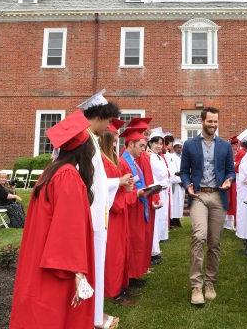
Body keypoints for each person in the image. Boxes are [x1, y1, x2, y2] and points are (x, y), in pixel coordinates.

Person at [10, 111, 97, 329]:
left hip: (39, 255)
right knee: (52, 316)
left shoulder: (51, 172)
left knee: (35, 314)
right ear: (84, 150)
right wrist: (78, 273)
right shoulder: (68, 176)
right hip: (56, 266)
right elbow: (68, 230)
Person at [78, 90, 131, 329]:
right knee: (92, 266)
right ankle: (92, 316)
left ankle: (96, 315)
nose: (110, 126)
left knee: (97, 266)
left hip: (99, 212)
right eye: (108, 120)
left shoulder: (91, 140)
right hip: (90, 214)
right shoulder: (84, 142)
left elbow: (98, 182)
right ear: (98, 116)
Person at [180, 106, 234, 305]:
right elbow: (184, 171)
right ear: (202, 121)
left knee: (214, 242)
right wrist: (187, 185)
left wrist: (229, 180)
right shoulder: (190, 145)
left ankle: (210, 282)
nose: (213, 124)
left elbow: (231, 171)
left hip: (218, 197)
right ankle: (196, 285)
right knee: (198, 236)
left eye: (215, 121)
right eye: (210, 121)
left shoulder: (225, 146)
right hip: (200, 196)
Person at [99, 122, 135, 300]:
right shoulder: (103, 160)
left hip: (118, 209)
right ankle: (112, 289)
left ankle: (120, 284)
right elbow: (101, 187)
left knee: (120, 249)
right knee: (112, 252)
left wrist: (125, 185)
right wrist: (120, 184)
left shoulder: (111, 158)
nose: (116, 143)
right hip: (112, 212)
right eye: (114, 140)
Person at [119, 124, 151, 284]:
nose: (143, 150)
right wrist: (137, 193)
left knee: (136, 241)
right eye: (141, 146)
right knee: (130, 242)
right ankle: (129, 276)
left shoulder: (134, 161)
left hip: (137, 205)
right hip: (129, 207)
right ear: (130, 144)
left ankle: (133, 274)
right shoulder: (123, 162)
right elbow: (123, 190)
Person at [147, 127, 169, 264]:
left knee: (160, 220)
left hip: (163, 191)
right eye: (156, 143)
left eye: (161, 143)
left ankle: (156, 248)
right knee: (154, 222)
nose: (159, 146)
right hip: (156, 191)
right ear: (150, 143)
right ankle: (153, 251)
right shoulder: (150, 157)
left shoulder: (159, 157)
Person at [166, 138, 184, 228]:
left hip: (181, 182)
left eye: (180, 147)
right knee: (174, 202)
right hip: (175, 182)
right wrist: (179, 179)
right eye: (177, 147)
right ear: (174, 148)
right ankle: (173, 220)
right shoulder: (171, 156)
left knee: (180, 201)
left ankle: (177, 219)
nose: (179, 149)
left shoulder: (183, 157)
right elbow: (172, 171)